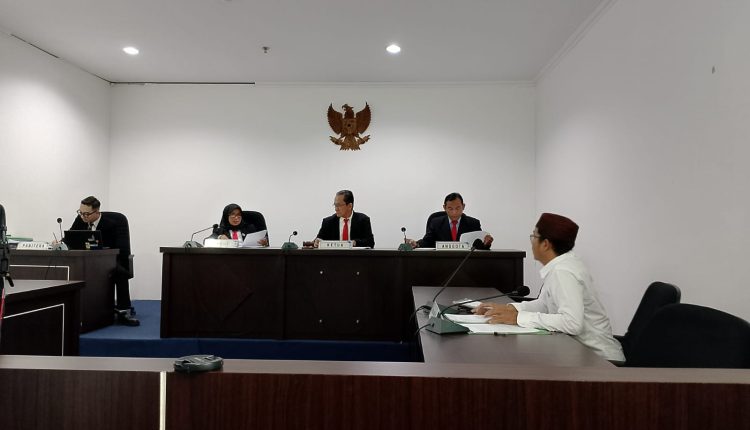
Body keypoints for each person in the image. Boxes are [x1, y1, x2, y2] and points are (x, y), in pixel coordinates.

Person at [474, 213, 625, 363]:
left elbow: (572, 323)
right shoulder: (562, 265)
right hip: (579, 353)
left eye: (534, 236)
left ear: (545, 244)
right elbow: (545, 305)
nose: (532, 242)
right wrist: (509, 308)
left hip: (600, 361)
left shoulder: (563, 271)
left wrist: (518, 318)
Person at [67, 196, 139, 326]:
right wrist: (60, 243)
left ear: (97, 212)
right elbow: (71, 238)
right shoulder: (80, 219)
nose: (83, 217)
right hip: (88, 261)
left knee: (120, 273)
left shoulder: (113, 223)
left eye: (86, 214)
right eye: (80, 213)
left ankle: (124, 310)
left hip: (110, 260)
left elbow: (121, 248)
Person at [406, 192, 493, 249]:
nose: (454, 212)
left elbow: (480, 246)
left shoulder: (473, 223)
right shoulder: (436, 223)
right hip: (441, 262)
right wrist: (416, 243)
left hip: (466, 263)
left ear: (463, 206)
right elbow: (427, 241)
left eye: (457, 208)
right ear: (444, 208)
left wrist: (487, 243)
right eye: (450, 208)